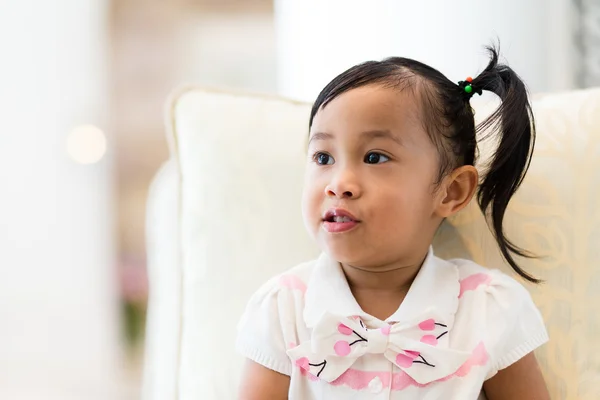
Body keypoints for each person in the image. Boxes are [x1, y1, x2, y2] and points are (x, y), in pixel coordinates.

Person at [236, 46, 550, 399]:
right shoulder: (283, 309)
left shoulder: (489, 309)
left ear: (451, 192)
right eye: (323, 157)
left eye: (374, 157)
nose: (338, 183)